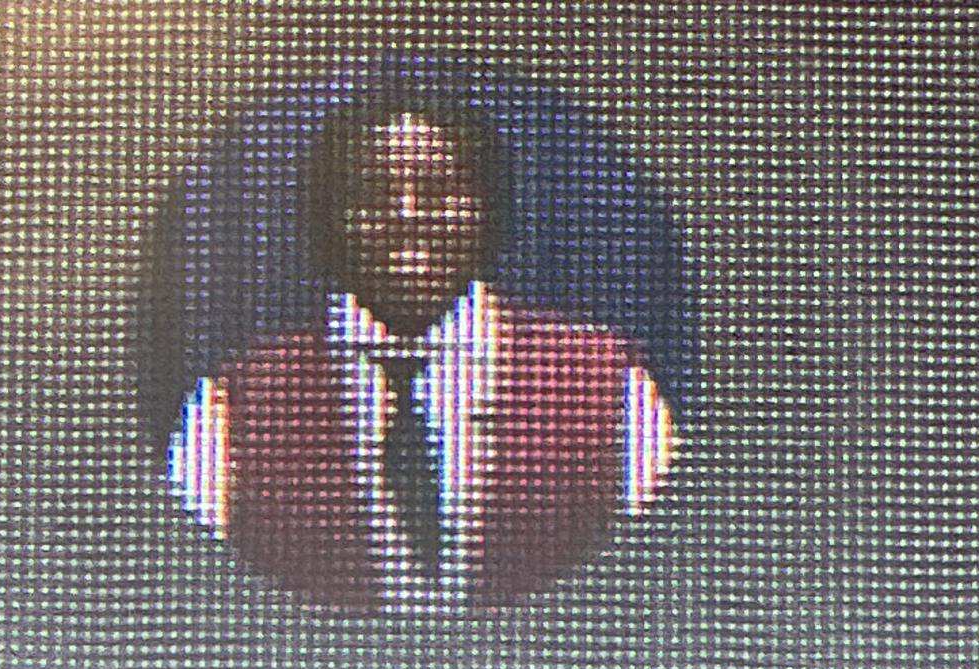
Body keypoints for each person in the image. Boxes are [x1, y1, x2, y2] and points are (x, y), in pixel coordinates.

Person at [166, 98, 677, 610]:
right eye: (374, 193)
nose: (406, 215)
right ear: (331, 217)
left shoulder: (606, 383)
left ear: (485, 210)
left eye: (437, 191)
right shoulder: (234, 403)